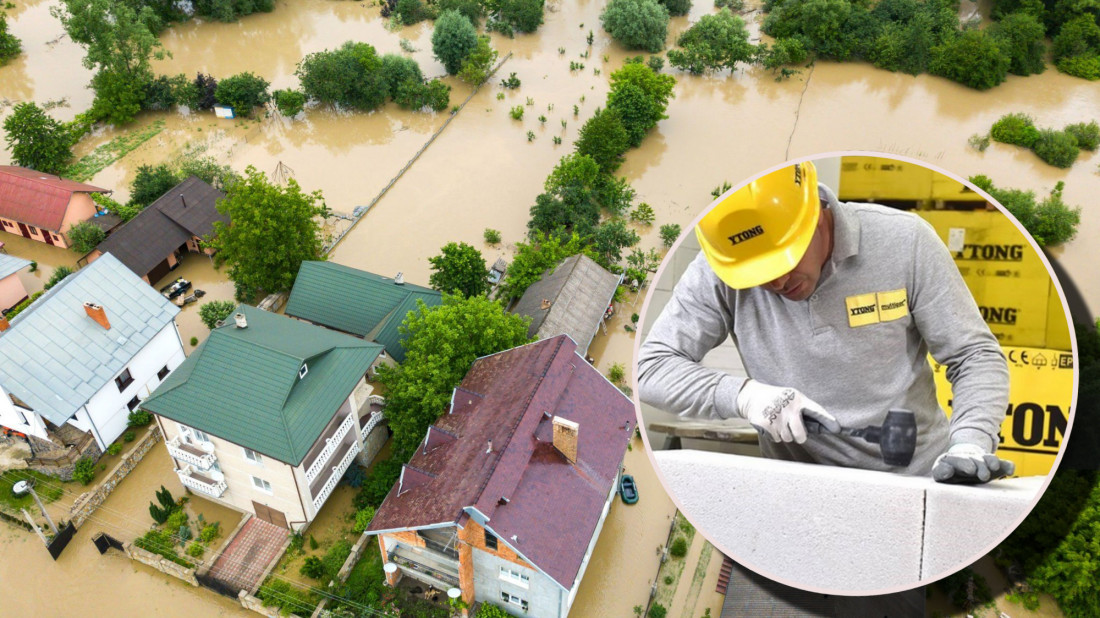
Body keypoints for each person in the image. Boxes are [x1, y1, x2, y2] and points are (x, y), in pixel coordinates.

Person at [637, 161, 1015, 484]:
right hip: (799, 489)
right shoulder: (723, 267)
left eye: (783, 262)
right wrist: (744, 396)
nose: (776, 282)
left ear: (817, 216)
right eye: (757, 274)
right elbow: (651, 369)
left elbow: (974, 355)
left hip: (915, 481)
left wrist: (970, 440)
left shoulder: (906, 242)